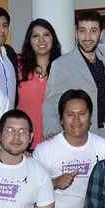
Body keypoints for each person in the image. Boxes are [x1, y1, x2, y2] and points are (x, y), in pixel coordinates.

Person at [44, 11, 105, 142]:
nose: (87, 37)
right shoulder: (61, 64)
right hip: (80, 138)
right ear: (77, 33)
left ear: (100, 34)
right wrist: (52, 133)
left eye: (93, 31)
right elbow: (51, 105)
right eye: (82, 31)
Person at [16, 18, 61, 149]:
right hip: (23, 142)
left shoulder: (63, 67)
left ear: (53, 39)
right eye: (35, 36)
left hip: (55, 140)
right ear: (29, 41)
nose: (41, 40)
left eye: (46, 35)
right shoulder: (17, 66)